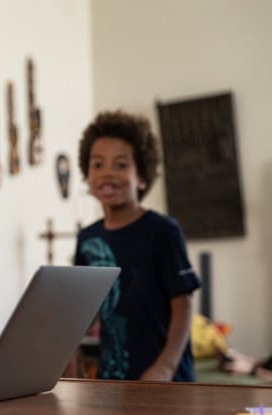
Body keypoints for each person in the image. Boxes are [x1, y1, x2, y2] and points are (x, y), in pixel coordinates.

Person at [73, 110, 201, 381]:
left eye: (121, 165)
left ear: (142, 176)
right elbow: (82, 312)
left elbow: (184, 304)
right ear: (87, 173)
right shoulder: (87, 239)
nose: (107, 173)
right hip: (112, 381)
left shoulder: (163, 230)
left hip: (166, 382)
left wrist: (164, 368)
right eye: (97, 164)